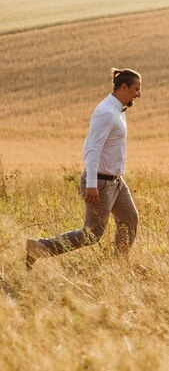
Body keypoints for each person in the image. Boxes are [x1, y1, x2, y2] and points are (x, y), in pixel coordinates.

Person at [25, 68, 142, 269]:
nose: (139, 94)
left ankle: (118, 266)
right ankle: (38, 248)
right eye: (136, 89)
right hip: (100, 182)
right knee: (92, 234)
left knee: (130, 219)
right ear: (124, 87)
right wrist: (91, 185)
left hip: (116, 182)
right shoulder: (106, 112)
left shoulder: (118, 111)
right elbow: (92, 149)